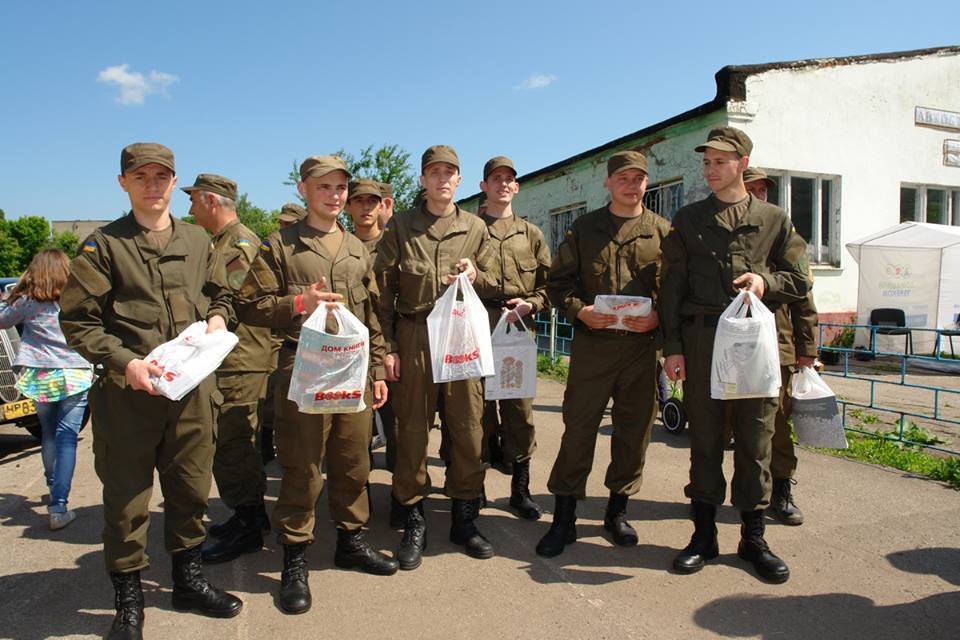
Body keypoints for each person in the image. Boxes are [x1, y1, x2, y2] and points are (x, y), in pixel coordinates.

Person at [59, 142, 243, 640]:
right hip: (128, 397)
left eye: (162, 175)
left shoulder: (199, 240)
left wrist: (219, 316)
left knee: (188, 490)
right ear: (123, 182)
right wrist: (126, 362)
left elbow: (221, 292)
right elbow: (78, 321)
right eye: (141, 176)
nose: (153, 184)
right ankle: (128, 602)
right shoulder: (104, 246)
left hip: (191, 393)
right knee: (126, 501)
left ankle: (188, 581)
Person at [237, 155, 397, 616]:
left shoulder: (358, 247)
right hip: (303, 366)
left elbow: (372, 313)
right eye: (324, 186)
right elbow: (249, 305)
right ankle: (294, 559)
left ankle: (352, 542)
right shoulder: (281, 245)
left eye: (340, 187)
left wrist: (378, 373)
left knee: (353, 462)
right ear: (304, 189)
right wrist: (297, 302)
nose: (334, 195)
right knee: (303, 466)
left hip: (354, 368)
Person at [660, 127, 809, 584]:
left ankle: (753, 539)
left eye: (720, 162)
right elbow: (672, 288)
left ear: (743, 163)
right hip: (704, 343)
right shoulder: (688, 219)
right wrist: (673, 347)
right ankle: (703, 537)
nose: (710, 169)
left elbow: (800, 280)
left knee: (756, 440)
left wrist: (766, 283)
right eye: (706, 162)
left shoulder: (774, 219)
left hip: (757, 345)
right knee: (704, 439)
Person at [537, 150, 669, 557]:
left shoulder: (664, 231)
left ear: (647, 183)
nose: (632, 185)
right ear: (608, 183)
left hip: (641, 351)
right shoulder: (585, 228)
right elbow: (558, 284)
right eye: (623, 178)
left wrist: (659, 317)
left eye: (639, 178)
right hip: (593, 348)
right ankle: (564, 518)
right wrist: (581, 311)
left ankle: (617, 512)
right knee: (578, 431)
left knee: (633, 434)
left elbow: (676, 289)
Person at [374, 144, 495, 568]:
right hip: (415, 334)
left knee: (467, 428)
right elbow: (381, 293)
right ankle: (414, 520)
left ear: (459, 180)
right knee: (411, 433)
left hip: (460, 337)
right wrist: (387, 348)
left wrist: (477, 274)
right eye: (434, 172)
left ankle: (464, 518)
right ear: (423, 180)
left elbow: (494, 279)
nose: (443, 179)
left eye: (450, 172)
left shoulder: (477, 228)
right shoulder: (401, 227)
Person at [181, 174, 274, 563]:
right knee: (230, 443)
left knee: (236, 443)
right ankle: (246, 515)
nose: (188, 210)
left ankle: (250, 525)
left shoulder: (240, 243)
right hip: (228, 359)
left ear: (212, 202)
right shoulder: (220, 242)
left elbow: (232, 300)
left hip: (241, 362)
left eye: (194, 201)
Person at [476, 155, 551, 520]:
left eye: (509, 179)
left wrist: (532, 304)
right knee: (476, 411)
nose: (503, 184)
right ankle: (473, 488)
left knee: (518, 411)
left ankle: (520, 490)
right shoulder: (470, 231)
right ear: (483, 187)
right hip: (478, 324)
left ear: (516, 187)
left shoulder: (531, 234)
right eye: (495, 179)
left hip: (518, 327)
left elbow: (550, 286)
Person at [743, 167, 818, 525]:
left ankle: (781, 489)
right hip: (730, 346)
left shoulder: (786, 235)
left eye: (763, 190)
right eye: (752, 189)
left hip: (778, 344)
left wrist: (808, 351)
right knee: (723, 426)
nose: (760, 195)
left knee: (776, 426)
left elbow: (804, 298)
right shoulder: (722, 233)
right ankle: (719, 495)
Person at [0, 249, 92, 531]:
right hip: (74, 373)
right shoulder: (76, 298)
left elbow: (3, 321)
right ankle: (58, 506)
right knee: (67, 438)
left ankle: (54, 487)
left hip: (39, 374)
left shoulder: (27, 301)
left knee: (49, 435)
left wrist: (10, 297)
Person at [346, 179, 398, 471]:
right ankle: (359, 492)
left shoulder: (396, 244)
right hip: (352, 349)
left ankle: (403, 503)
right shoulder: (340, 245)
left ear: (382, 206)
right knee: (355, 433)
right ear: (349, 206)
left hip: (390, 346)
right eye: (359, 201)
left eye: (372, 202)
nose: (366, 208)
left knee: (399, 429)